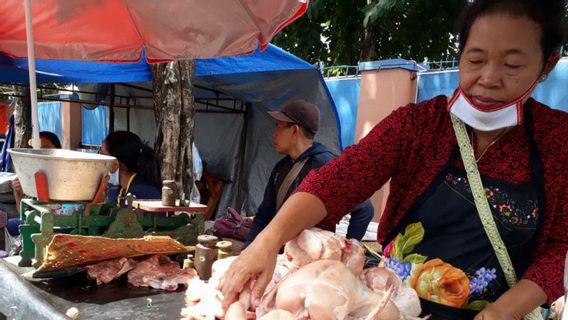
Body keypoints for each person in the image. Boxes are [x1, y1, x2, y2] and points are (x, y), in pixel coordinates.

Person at [219, 0, 568, 319]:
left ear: (546, 64)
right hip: (394, 307)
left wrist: (502, 312)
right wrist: (266, 243)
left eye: (512, 65)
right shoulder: (418, 125)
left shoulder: (557, 141)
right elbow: (337, 181)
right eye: (475, 60)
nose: (489, 79)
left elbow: (560, 249)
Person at [244, 100, 374, 245]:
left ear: (294, 131)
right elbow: (265, 214)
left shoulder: (327, 166)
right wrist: (249, 246)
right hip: (282, 255)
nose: (274, 134)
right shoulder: (280, 168)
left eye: (278, 128)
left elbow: (364, 210)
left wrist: (349, 247)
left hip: (315, 259)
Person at [9, 131, 62, 236]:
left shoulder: (65, 175)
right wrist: (17, 193)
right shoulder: (31, 174)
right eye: (38, 149)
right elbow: (22, 214)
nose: (42, 152)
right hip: (34, 223)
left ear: (59, 149)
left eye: (46, 148)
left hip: (57, 227)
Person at [99, 131, 161, 207]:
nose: (99, 160)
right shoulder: (119, 190)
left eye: (102, 154)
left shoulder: (142, 193)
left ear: (115, 164)